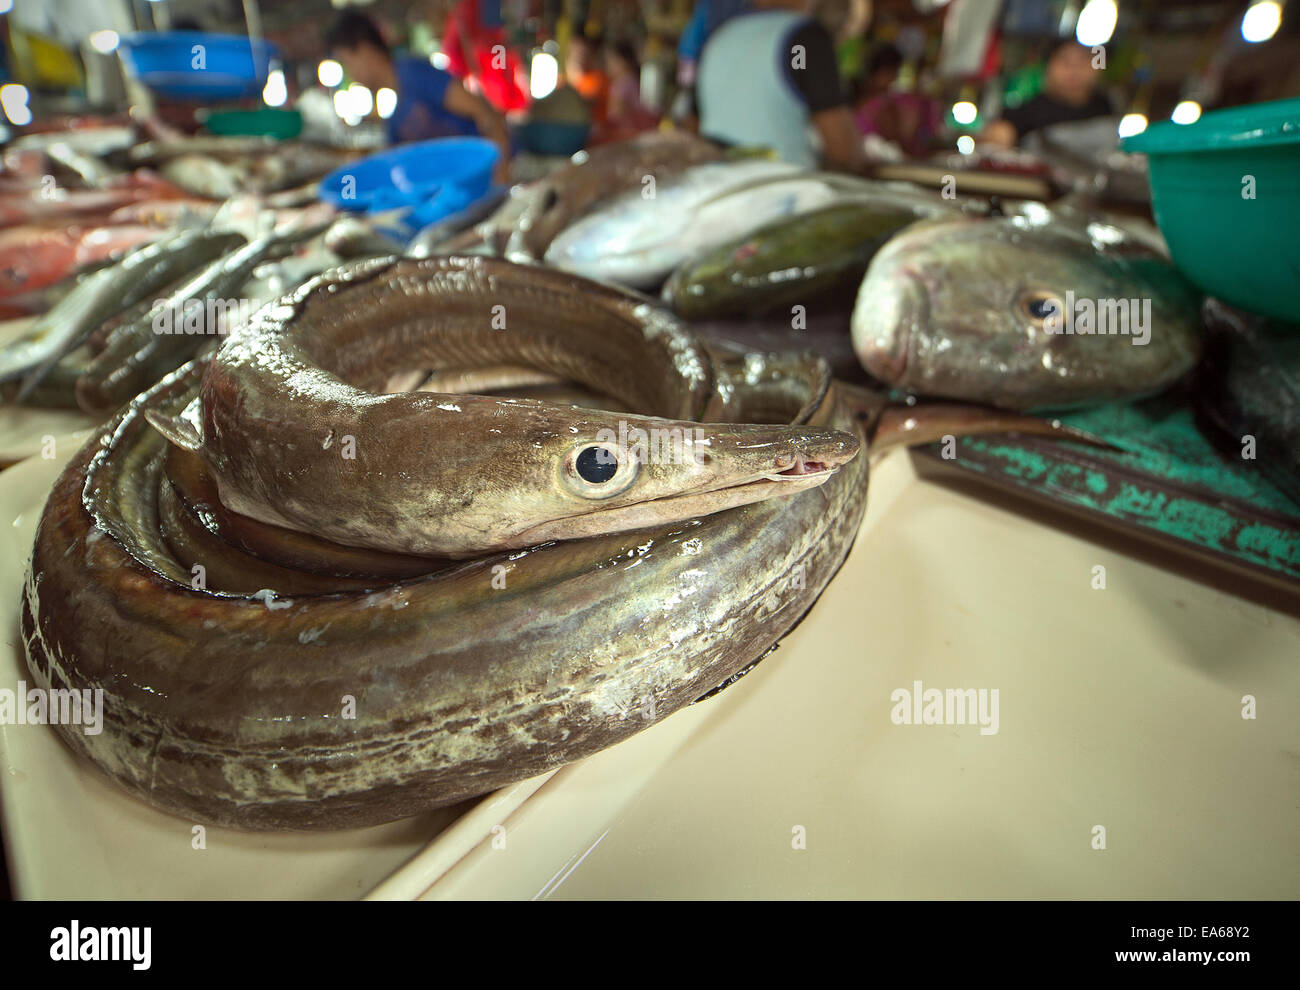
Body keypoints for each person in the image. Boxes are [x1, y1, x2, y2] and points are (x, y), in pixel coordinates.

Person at [326, 12, 511, 182]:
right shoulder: (394, 120)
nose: (350, 73)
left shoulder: (414, 74)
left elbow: (482, 111)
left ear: (364, 49)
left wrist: (500, 174)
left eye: (346, 61)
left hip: (498, 174)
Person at [695, 0, 865, 172]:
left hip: (719, 184)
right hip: (782, 188)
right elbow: (843, 151)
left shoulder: (721, 36)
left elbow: (693, 120)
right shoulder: (803, 40)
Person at [983, 38, 1113, 148]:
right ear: (1049, 66)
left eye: (1083, 61)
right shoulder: (1027, 112)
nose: (1074, 69)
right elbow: (1000, 135)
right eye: (1065, 61)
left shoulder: (1108, 110)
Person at [564, 32, 610, 126]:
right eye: (576, 52)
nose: (579, 56)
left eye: (583, 52)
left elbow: (586, 105)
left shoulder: (598, 79)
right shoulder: (561, 81)